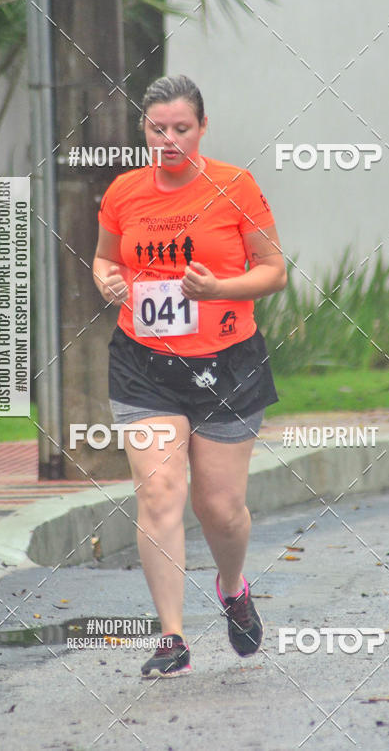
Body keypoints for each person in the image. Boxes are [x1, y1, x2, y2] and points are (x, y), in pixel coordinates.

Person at [92, 74, 287, 677]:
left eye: (182, 128)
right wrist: (105, 278)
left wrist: (218, 288)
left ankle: (232, 588)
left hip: (227, 364)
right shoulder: (124, 192)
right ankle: (171, 638)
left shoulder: (235, 186)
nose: (170, 139)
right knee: (159, 494)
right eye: (158, 129)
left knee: (219, 508)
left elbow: (274, 270)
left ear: (202, 128)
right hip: (144, 364)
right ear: (143, 131)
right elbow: (105, 256)